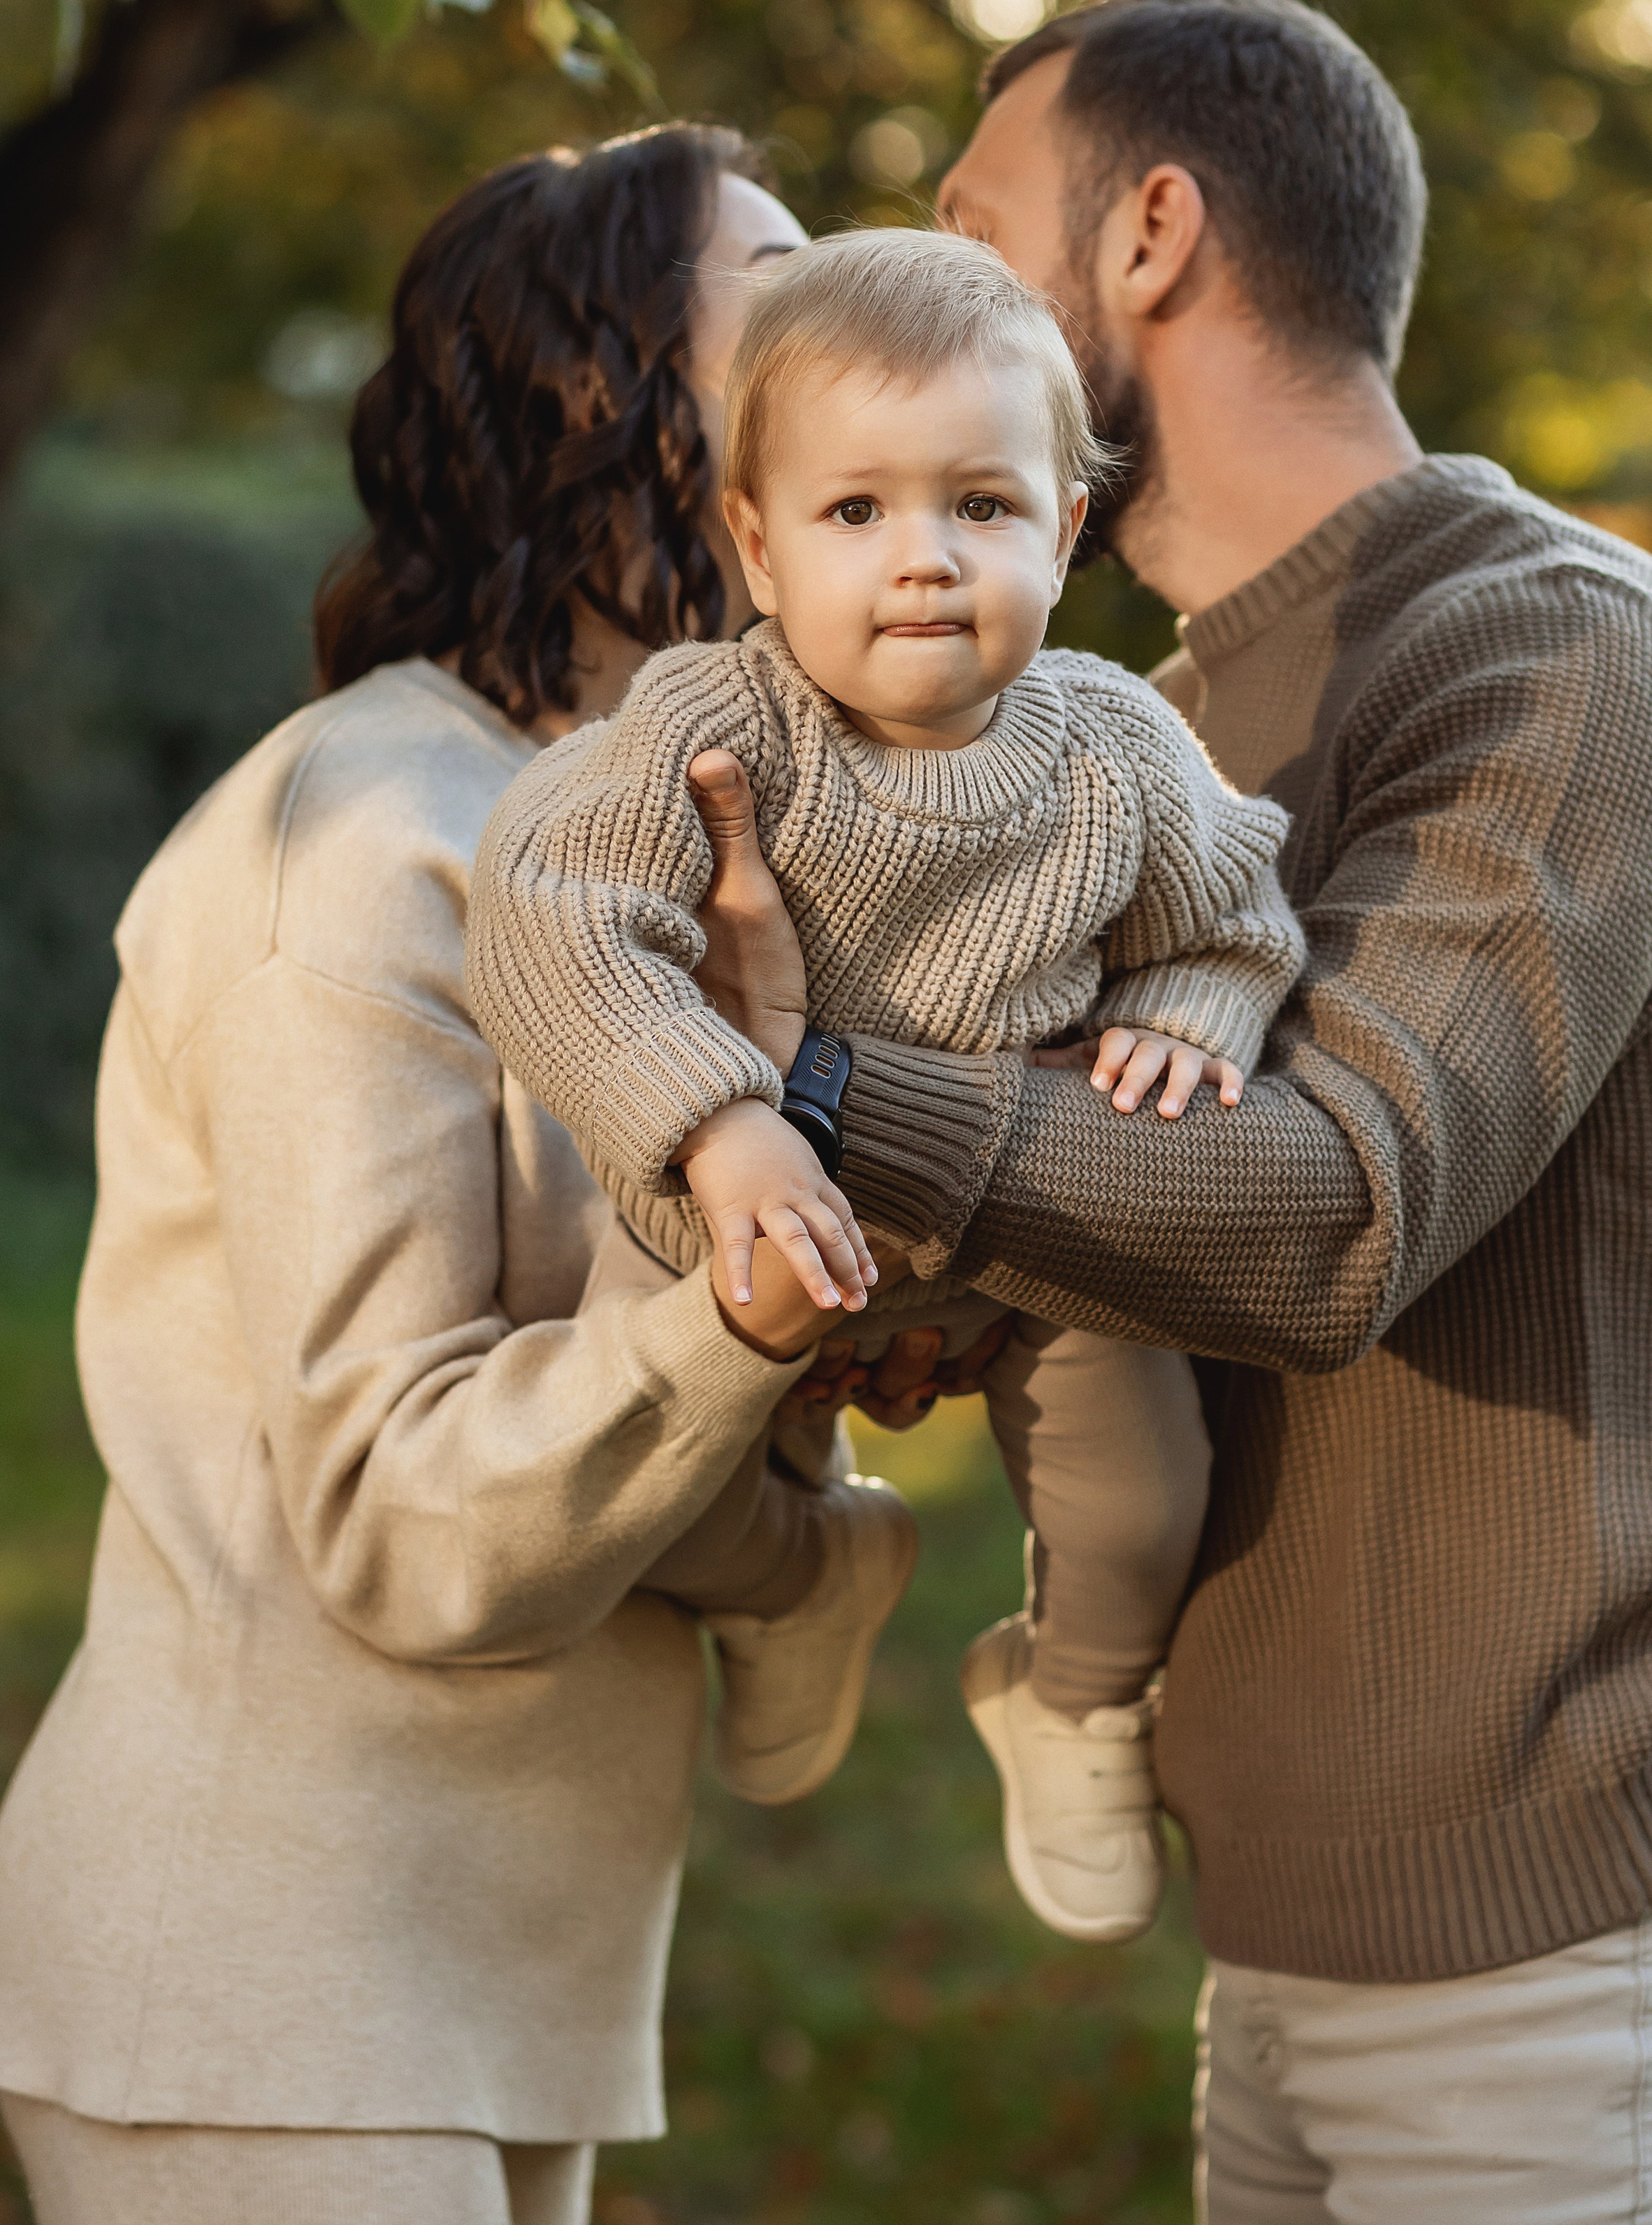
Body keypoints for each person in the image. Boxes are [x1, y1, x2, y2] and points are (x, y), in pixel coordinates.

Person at [682, 0, 1652, 2220]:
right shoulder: (1143, 725)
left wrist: (810, 1068)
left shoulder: (1558, 656)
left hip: (1565, 1936)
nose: (933, 280)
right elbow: (1098, 1184)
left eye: (980, 225)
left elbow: (1328, 1219)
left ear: (1158, 230)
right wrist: (938, 1286)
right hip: (1274, 1921)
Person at [0, 124, 906, 2225]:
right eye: (783, 304)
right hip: (255, 1999)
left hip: (483, 1986)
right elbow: (405, 1518)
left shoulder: (628, 836)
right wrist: (775, 1449)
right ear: (598, 395)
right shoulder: (368, 844)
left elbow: (618, 1389)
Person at [465, 226, 1304, 1943]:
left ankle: (1068, 1696)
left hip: (1020, 1222)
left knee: (1143, 1503)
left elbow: (1233, 917)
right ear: (757, 549)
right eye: (856, 515)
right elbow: (548, 918)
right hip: (743, 1211)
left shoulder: (1117, 751)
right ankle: (804, 1577)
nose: (921, 561)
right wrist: (718, 1122)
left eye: (980, 508)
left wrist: (1198, 1009)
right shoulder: (719, 722)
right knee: (648, 1487)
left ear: (1065, 534)